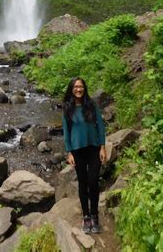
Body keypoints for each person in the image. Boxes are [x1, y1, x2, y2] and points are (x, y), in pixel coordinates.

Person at [62, 77, 107, 234]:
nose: (78, 89)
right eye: (76, 87)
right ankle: (86, 216)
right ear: (72, 89)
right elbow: (66, 132)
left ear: (84, 88)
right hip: (77, 150)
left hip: (94, 148)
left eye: (81, 86)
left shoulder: (92, 105)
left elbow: (100, 126)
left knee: (93, 182)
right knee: (83, 183)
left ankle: (95, 215)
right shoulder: (68, 108)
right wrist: (69, 152)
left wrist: (103, 147)